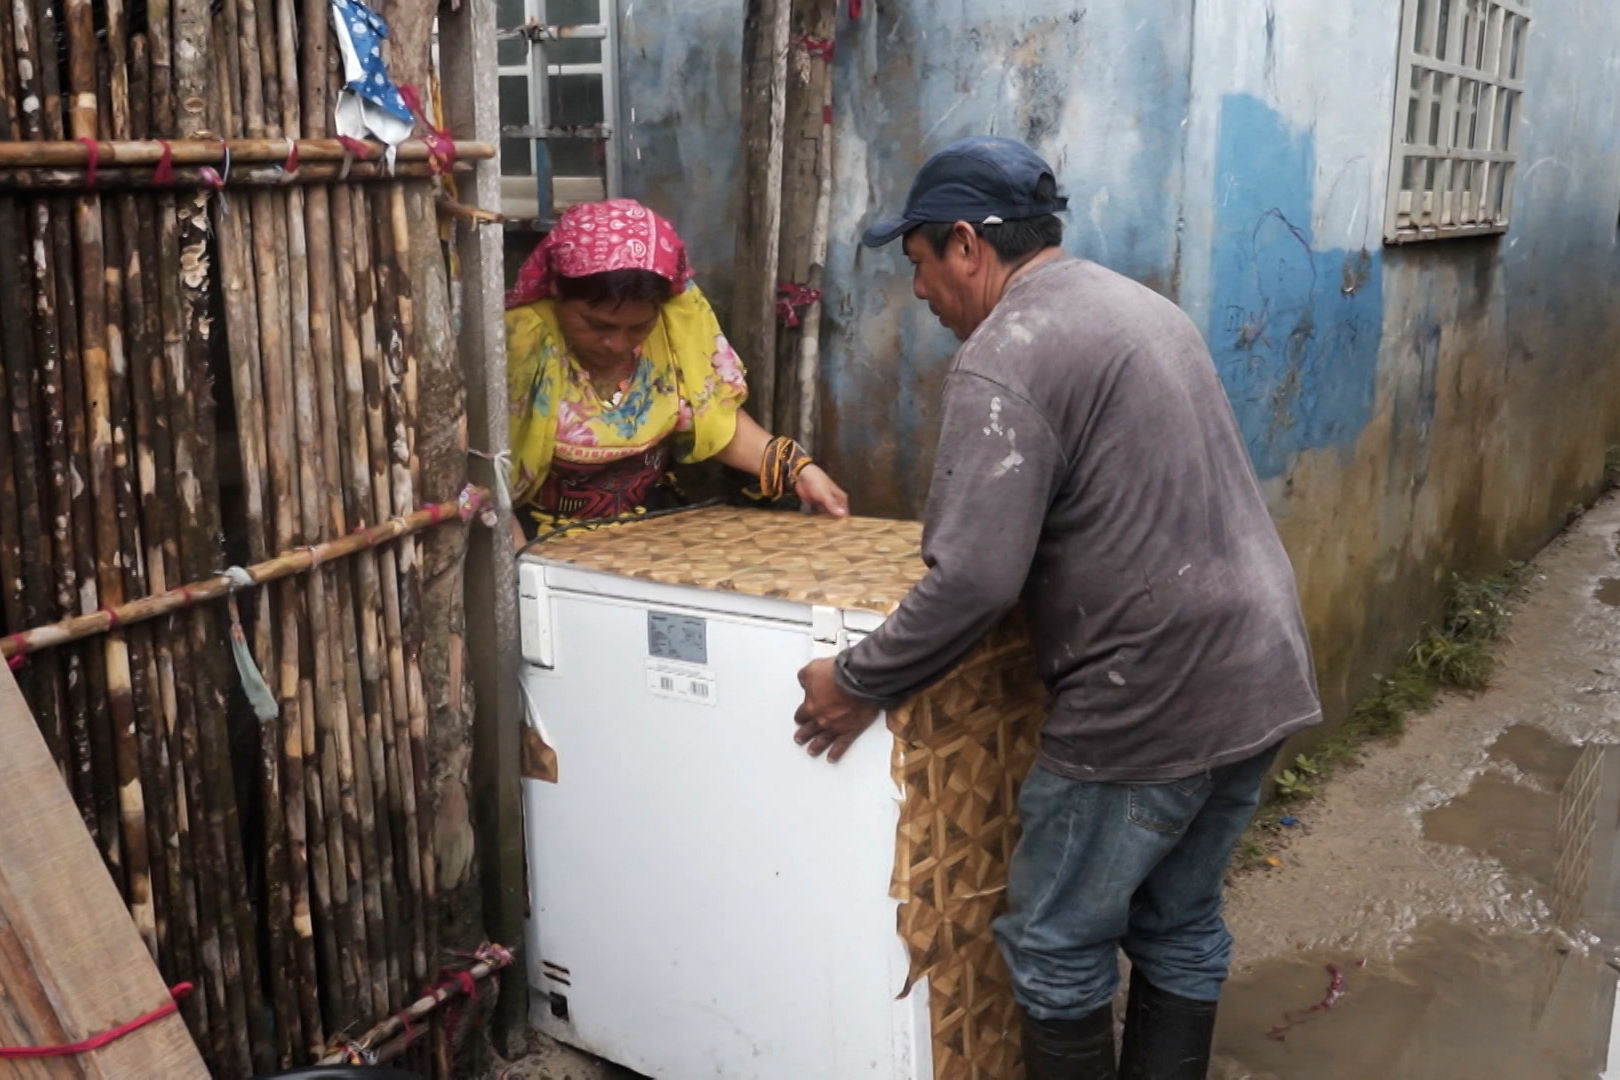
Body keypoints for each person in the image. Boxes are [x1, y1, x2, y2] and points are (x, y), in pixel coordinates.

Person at [792, 137, 1322, 1079]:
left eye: (918, 265)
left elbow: (973, 579)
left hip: (1152, 693)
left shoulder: (1009, 354)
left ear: (966, 244)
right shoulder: (1136, 306)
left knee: (1054, 946)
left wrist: (855, 679)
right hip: (1262, 665)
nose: (918, 293)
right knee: (1180, 923)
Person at [504, 198, 849, 536]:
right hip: (540, 538)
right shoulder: (523, 340)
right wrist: (521, 575)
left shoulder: (676, 322)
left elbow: (714, 420)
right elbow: (486, 479)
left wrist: (799, 470)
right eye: (598, 326)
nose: (619, 344)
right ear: (555, 290)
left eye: (638, 327)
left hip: (648, 530)